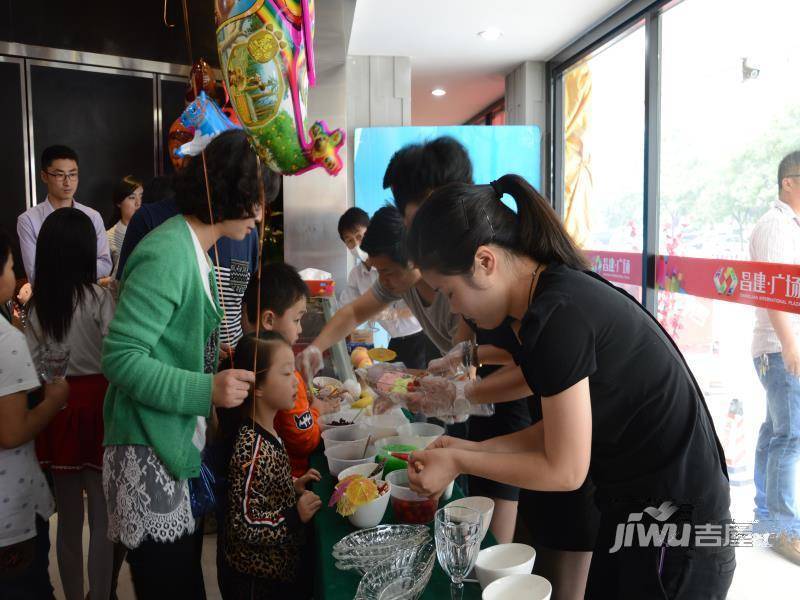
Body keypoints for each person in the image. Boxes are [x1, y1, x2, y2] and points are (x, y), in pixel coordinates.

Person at [404, 174, 735, 598]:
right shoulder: (552, 296)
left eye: (449, 292)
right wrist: (461, 450)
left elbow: (564, 470)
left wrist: (464, 462)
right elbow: (555, 435)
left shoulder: (557, 315)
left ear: (484, 262)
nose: (455, 309)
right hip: (638, 517)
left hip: (676, 534)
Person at [101, 130, 277, 598]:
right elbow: (120, 359)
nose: (260, 216)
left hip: (170, 442)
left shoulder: (192, 247)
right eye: (257, 202)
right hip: (146, 447)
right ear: (232, 195)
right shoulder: (167, 251)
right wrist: (207, 390)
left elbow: (164, 342)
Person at [24, 209, 115, 600]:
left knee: (68, 518)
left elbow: (34, 364)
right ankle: (99, 596)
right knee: (102, 517)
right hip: (100, 406)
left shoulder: (37, 306)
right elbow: (115, 352)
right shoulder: (98, 297)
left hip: (57, 407)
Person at [296, 205, 467, 380]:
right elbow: (353, 313)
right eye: (349, 241)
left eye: (386, 271)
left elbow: (467, 372)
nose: (382, 280)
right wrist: (316, 347)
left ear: (412, 259)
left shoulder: (454, 297)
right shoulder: (397, 280)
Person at [221, 333, 322, 599]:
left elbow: (263, 490)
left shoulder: (268, 429)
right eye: (288, 374)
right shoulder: (251, 450)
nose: (297, 383)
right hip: (259, 582)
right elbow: (244, 521)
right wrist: (293, 515)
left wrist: (292, 485)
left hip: (277, 573)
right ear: (257, 386)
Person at [115, 175, 261, 348]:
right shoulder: (164, 238)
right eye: (254, 201)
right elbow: (125, 352)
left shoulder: (247, 235)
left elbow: (241, 305)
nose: (259, 216)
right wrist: (204, 374)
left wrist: (211, 350)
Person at [0, 230, 68, 600]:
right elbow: (11, 432)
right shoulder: (6, 339)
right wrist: (54, 400)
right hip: (9, 512)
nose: (15, 276)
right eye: (11, 267)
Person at [749, 150, 800, 564]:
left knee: (775, 431)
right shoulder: (777, 226)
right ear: (788, 182)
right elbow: (773, 291)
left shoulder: (788, 226)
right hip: (779, 348)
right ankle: (784, 530)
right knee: (790, 436)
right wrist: (791, 346)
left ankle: (767, 518)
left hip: (778, 348)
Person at [242, 262, 337, 477]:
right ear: (268, 320)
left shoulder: (245, 354)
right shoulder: (283, 376)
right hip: (290, 475)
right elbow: (304, 440)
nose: (301, 328)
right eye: (296, 319)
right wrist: (318, 410)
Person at [337, 207, 428, 369]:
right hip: (396, 339)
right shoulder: (357, 275)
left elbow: (420, 305)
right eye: (349, 241)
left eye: (359, 236)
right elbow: (346, 309)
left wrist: (392, 314)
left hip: (419, 337)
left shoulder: (400, 264)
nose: (356, 245)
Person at [17, 145, 112, 283]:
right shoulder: (28, 220)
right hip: (50, 300)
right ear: (44, 176)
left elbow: (105, 264)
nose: (67, 182)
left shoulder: (92, 216)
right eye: (60, 175)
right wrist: (84, 270)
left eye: (72, 174)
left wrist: (61, 270)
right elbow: (35, 275)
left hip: (89, 299)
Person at [106, 175, 143, 276]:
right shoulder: (108, 237)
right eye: (132, 197)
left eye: (141, 196)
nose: (138, 203)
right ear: (119, 202)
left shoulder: (151, 230)